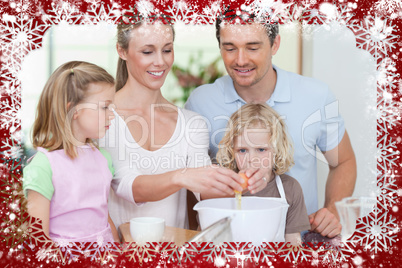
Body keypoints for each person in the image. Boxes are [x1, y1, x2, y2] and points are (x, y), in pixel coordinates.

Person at [185, 11, 357, 238]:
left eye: (253, 47)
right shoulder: (200, 102)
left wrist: (332, 210)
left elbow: (343, 161)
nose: (240, 60)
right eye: (229, 48)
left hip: (298, 243)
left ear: (275, 44)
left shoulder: (316, 95)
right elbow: (190, 184)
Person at [99, 19, 253, 233]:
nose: (160, 62)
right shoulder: (103, 117)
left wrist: (241, 183)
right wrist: (182, 176)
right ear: (122, 51)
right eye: (147, 52)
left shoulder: (191, 123)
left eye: (167, 50)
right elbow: (127, 186)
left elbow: (205, 192)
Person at [23, 61, 119, 243]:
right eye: (105, 107)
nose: (111, 114)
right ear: (73, 110)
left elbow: (104, 218)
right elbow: (37, 239)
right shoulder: (44, 166)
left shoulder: (103, 158)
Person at [216, 103, 310, 245]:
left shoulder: (290, 189)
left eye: (261, 150)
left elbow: (293, 244)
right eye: (242, 150)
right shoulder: (224, 188)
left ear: (277, 150)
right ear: (231, 151)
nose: (252, 159)